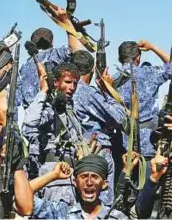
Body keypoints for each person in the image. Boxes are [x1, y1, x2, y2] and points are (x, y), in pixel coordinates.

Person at [71, 50, 129, 205]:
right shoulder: (87, 92)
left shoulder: (66, 90)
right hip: (96, 151)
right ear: (92, 70)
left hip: (75, 152)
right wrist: (109, 90)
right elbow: (119, 117)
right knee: (103, 202)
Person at [22, 62, 84, 204]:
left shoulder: (69, 106)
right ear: (55, 82)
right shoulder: (49, 107)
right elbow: (30, 121)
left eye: (75, 83)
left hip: (71, 172)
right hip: (55, 174)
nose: (72, 87)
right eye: (68, 82)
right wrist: (43, 91)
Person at [113, 40, 172, 158]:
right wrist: (153, 47)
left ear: (120, 59)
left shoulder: (112, 80)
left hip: (123, 144)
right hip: (149, 143)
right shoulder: (149, 73)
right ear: (138, 58)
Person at [19, 6, 82, 110]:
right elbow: (77, 51)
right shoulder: (54, 54)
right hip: (53, 115)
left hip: (31, 117)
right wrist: (66, 21)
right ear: (52, 42)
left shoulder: (24, 67)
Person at [29, 154, 128, 219]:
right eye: (84, 176)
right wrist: (53, 175)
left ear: (104, 184)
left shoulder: (116, 217)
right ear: (75, 182)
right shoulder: (62, 213)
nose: (89, 182)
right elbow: (23, 197)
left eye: (95, 177)